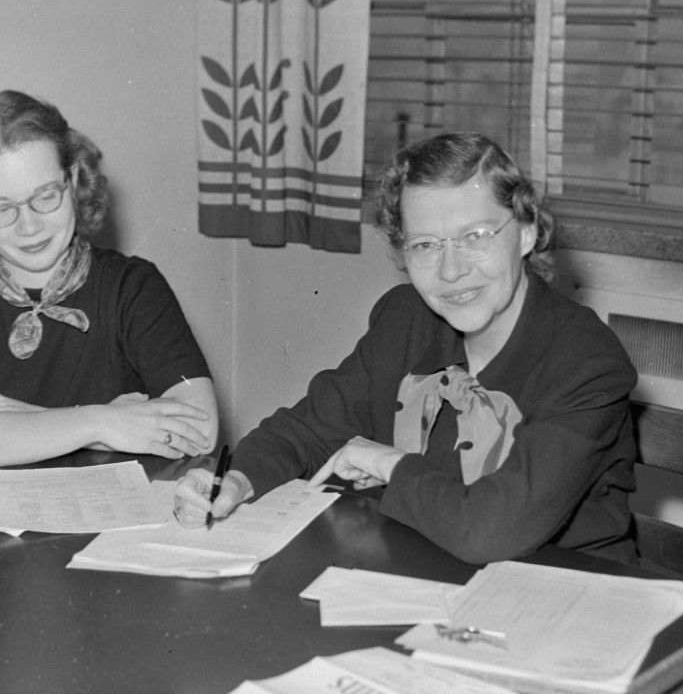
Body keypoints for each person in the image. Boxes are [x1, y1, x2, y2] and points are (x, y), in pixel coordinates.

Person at [174, 132, 638, 565]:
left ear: (527, 232)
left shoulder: (586, 360)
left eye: (475, 236)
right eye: (425, 245)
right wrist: (237, 480)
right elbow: (309, 430)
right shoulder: (405, 319)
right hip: (431, 568)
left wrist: (389, 464)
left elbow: (489, 532)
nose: (451, 270)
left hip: (566, 590)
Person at [0, 90, 217, 473]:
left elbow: (200, 429)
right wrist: (104, 423)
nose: (29, 227)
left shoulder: (134, 285)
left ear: (73, 180)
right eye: (0, 208)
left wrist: (21, 415)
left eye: (46, 196)